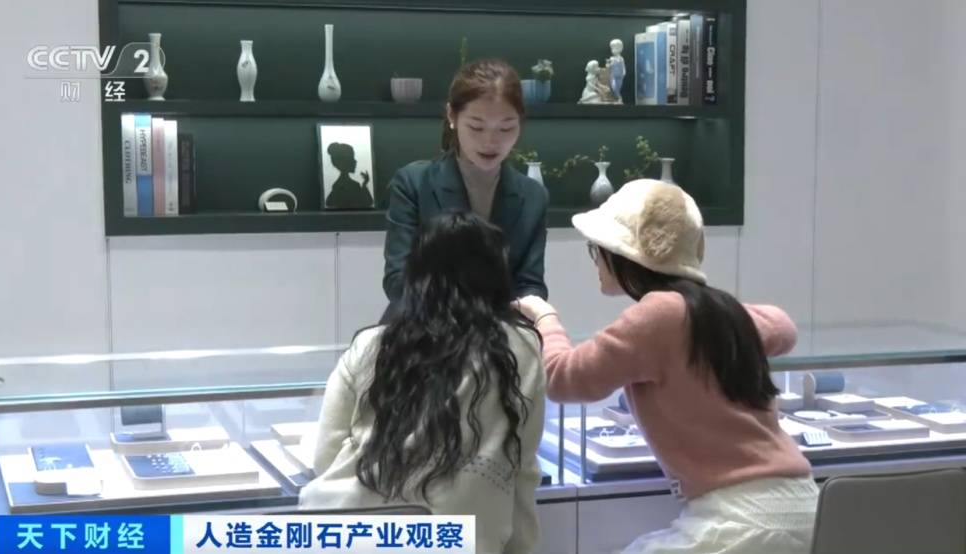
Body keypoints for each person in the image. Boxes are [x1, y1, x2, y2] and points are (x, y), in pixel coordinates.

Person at [517, 180, 818, 554]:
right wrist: (722, 316)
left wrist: (544, 317)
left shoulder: (659, 314)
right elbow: (783, 328)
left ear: (624, 254)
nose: (595, 260)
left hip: (742, 519)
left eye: (597, 250)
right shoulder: (714, 311)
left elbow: (564, 378)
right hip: (802, 504)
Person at [299, 212, 546, 554]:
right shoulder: (521, 349)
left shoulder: (372, 344)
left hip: (350, 530)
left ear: (415, 274)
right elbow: (522, 468)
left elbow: (325, 456)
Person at [382, 59, 549, 321]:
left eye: (506, 128)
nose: (490, 141)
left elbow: (531, 286)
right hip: (421, 330)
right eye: (476, 127)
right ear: (452, 116)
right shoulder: (413, 183)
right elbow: (397, 281)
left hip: (499, 333)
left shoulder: (532, 197)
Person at [324, 142, 373, 209]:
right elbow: (368, 202)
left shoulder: (338, 185)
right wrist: (364, 184)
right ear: (344, 162)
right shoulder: (351, 185)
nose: (355, 161)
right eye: (352, 158)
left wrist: (364, 184)